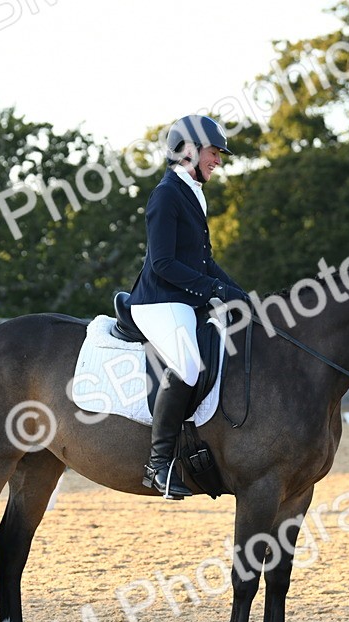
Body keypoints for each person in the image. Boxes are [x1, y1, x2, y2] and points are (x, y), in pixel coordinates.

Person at [129, 115, 250, 499]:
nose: (218, 160)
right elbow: (163, 262)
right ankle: (159, 465)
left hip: (185, 298)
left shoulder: (193, 192)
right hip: (159, 300)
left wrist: (240, 294)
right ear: (190, 150)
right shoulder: (166, 194)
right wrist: (215, 289)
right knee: (187, 365)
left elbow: (204, 261)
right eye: (214, 153)